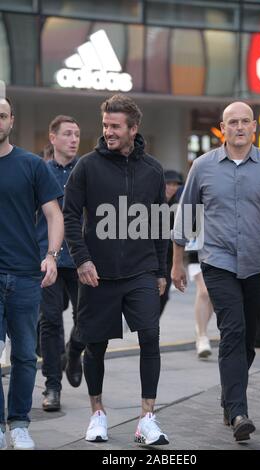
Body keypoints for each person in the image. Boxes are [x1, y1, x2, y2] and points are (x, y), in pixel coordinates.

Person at [172, 101, 260, 442]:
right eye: (233, 122)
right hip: (219, 262)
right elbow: (185, 214)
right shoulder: (203, 166)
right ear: (223, 128)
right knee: (233, 330)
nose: (239, 127)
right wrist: (176, 262)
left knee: (247, 340)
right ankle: (240, 411)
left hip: (258, 264)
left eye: (245, 122)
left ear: (254, 128)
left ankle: (230, 399)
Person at [63, 94, 169, 446]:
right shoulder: (87, 167)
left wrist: (161, 270)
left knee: (150, 336)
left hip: (140, 270)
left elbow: (158, 224)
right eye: (105, 125)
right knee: (96, 345)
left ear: (133, 129)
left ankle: (147, 419)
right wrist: (82, 259)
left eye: (115, 126)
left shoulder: (153, 170)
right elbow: (71, 215)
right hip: (97, 272)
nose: (108, 131)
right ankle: (98, 414)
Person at [0, 97, 64, 450]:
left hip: (25, 274)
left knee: (25, 353)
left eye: (2, 115)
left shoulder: (31, 165)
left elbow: (55, 216)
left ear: (11, 121)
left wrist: (52, 256)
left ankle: (19, 423)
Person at [36, 115, 86, 412]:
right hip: (48, 260)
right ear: (53, 138)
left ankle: (74, 352)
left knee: (88, 320)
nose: (74, 139)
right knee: (50, 321)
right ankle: (52, 386)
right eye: (67, 133)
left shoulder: (87, 170)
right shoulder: (39, 171)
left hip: (82, 259)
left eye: (77, 134)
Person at [159, 170, 183, 316]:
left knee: (163, 296)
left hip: (168, 259)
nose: (172, 187)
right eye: (168, 183)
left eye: (175, 184)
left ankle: (152, 327)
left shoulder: (178, 207)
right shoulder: (151, 202)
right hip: (149, 258)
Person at [186, 251, 214, 358]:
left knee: (211, 293)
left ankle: (201, 328)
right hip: (197, 254)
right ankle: (202, 336)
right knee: (204, 291)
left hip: (218, 255)